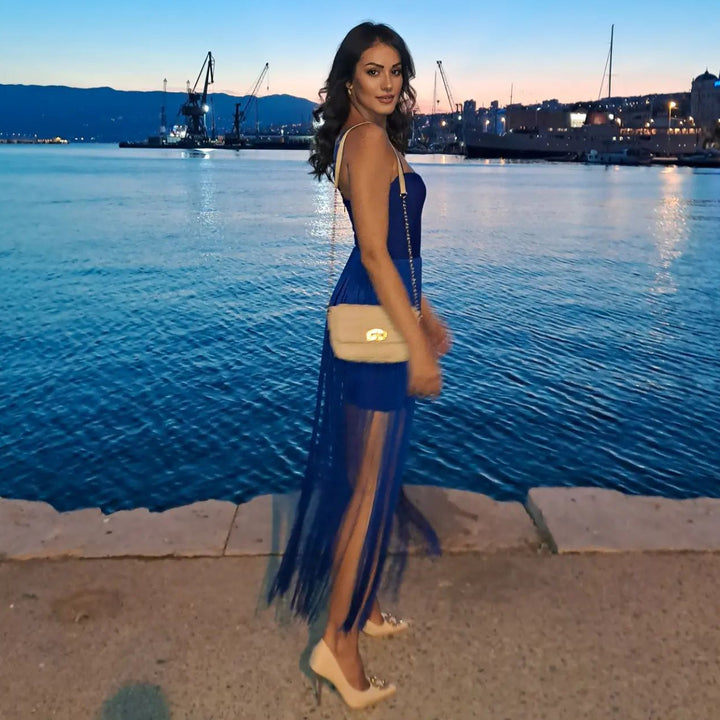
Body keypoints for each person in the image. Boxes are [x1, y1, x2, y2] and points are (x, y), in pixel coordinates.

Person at [267, 21, 451, 710]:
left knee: (364, 477)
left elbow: (395, 249)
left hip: (378, 304)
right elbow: (375, 254)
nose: (389, 82)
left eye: (397, 71)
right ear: (349, 79)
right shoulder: (370, 141)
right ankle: (338, 646)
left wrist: (426, 312)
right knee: (369, 487)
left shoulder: (362, 138)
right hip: (376, 313)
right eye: (374, 70)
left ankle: (363, 607)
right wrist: (415, 344)